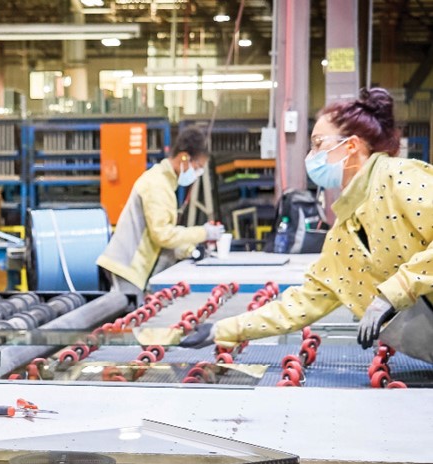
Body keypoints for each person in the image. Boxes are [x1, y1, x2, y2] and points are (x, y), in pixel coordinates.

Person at [181, 87, 433, 360]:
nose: (311, 156)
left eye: (318, 144)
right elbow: (302, 304)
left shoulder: (401, 178)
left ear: (350, 146)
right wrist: (222, 329)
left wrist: (393, 293)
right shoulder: (344, 235)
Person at [97, 126, 224, 296]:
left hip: (135, 268)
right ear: (184, 157)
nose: (198, 173)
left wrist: (191, 250)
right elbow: (162, 235)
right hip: (127, 268)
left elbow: (162, 236)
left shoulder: (165, 183)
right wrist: (204, 233)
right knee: (132, 320)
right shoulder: (157, 184)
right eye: (198, 166)